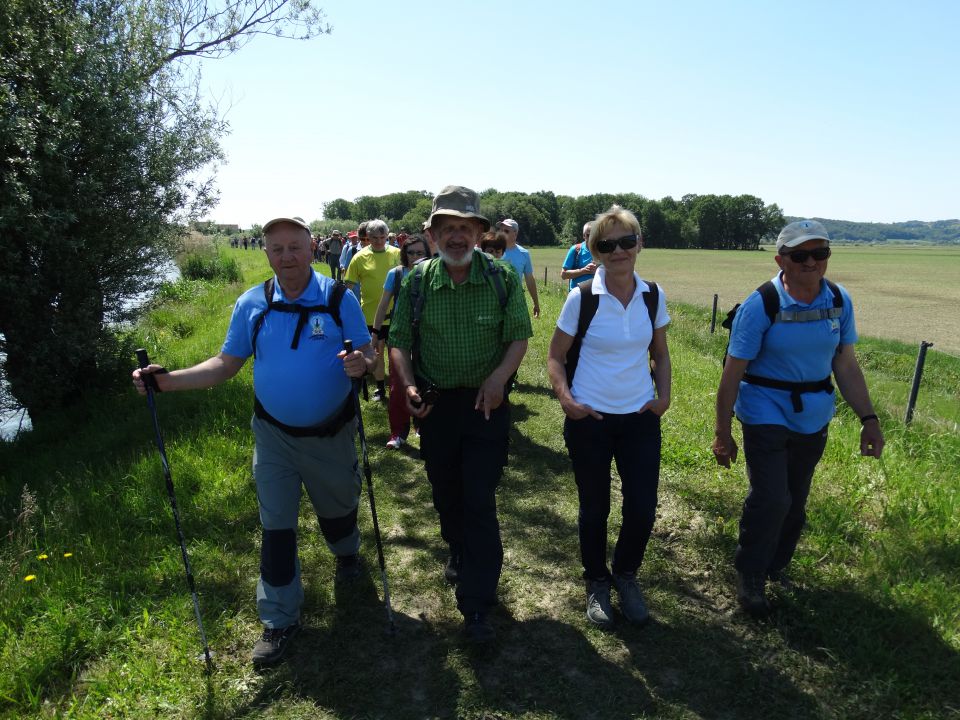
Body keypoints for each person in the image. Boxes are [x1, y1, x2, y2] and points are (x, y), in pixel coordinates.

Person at [132, 216, 375, 667]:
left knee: (339, 511)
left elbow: (369, 355)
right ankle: (280, 620)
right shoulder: (252, 303)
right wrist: (167, 381)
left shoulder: (340, 298)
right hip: (274, 436)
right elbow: (225, 365)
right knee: (276, 528)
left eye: (295, 247)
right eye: (277, 248)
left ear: (311, 248)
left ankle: (347, 554)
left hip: (331, 432)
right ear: (266, 253)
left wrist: (362, 364)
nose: (287, 256)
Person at [712, 219, 885, 617]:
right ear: (781, 259)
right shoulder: (762, 304)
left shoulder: (839, 300)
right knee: (773, 497)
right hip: (763, 411)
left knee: (796, 500)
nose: (811, 262)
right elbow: (732, 372)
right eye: (800, 255)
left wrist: (869, 419)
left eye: (819, 253)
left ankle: (776, 565)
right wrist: (722, 431)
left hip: (813, 415)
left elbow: (846, 365)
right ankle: (751, 573)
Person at [388, 186, 532, 642]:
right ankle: (457, 548)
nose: (456, 237)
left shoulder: (502, 279)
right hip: (435, 405)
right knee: (446, 492)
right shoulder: (414, 281)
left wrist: (498, 380)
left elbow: (517, 339)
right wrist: (409, 385)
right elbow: (398, 344)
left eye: (465, 228)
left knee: (479, 499)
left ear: (479, 233)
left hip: (486, 404)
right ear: (431, 234)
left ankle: (476, 606)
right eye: (446, 228)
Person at [547, 205, 671, 628]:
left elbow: (660, 353)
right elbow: (555, 356)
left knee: (642, 507)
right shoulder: (581, 298)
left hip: (639, 418)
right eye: (607, 244)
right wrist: (567, 401)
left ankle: (625, 574)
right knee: (594, 507)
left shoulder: (653, 294)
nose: (618, 250)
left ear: (640, 244)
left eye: (626, 241)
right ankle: (597, 582)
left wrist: (664, 396)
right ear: (594, 251)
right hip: (591, 420)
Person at [372, 234, 430, 448]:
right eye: (411, 252)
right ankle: (398, 432)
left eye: (420, 252)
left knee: (424, 380)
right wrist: (375, 332)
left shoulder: (433, 272)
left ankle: (422, 426)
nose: (415, 256)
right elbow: (383, 304)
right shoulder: (395, 274)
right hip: (400, 336)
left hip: (427, 336)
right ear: (404, 253)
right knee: (398, 385)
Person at [344, 219, 401, 402]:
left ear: (387, 236)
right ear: (367, 237)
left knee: (398, 354)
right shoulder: (359, 257)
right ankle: (380, 389)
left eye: (382, 237)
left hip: (397, 315)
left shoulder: (397, 254)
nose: (378, 241)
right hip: (369, 315)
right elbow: (348, 287)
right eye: (374, 237)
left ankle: (398, 387)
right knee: (376, 352)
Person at [497, 218, 541, 318]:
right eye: (501, 230)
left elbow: (529, 279)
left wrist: (536, 303)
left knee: (515, 330)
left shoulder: (524, 253)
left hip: (515, 300)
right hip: (494, 299)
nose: (502, 233)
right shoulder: (493, 251)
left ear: (515, 233)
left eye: (506, 231)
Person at [561, 221, 598, 290]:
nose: (591, 238)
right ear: (584, 236)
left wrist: (599, 270)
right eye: (588, 235)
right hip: (577, 294)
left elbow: (613, 272)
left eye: (594, 235)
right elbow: (563, 274)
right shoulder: (576, 250)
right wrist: (584, 271)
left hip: (598, 294)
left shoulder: (604, 250)